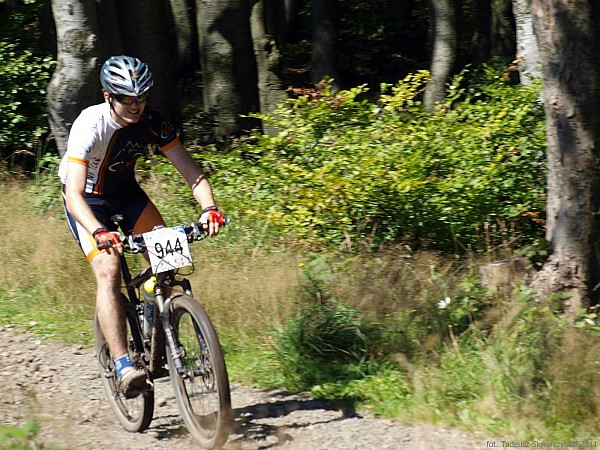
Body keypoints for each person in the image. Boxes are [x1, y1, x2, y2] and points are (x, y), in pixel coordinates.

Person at [59, 55, 225, 397]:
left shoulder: (152, 123)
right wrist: (99, 231)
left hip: (126, 195)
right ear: (108, 96)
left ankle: (155, 316)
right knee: (109, 269)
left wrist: (209, 208)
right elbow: (73, 195)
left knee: (169, 261)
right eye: (126, 99)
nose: (135, 105)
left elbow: (191, 172)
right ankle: (123, 365)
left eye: (141, 97)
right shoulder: (90, 124)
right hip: (87, 202)